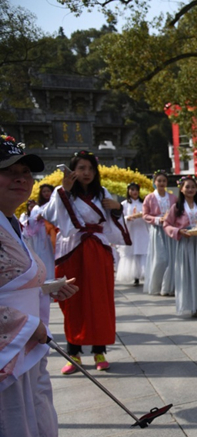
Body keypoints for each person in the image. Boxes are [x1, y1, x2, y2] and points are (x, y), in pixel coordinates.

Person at [0, 135, 78, 437]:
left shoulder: (12, 223)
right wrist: (25, 324)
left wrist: (44, 288)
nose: (20, 179)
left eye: (25, 172)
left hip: (27, 351)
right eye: (7, 172)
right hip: (8, 356)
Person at [42, 150, 131, 374]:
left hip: (98, 250)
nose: (87, 172)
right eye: (81, 168)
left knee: (100, 300)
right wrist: (64, 190)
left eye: (90, 168)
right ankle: (74, 353)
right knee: (72, 301)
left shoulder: (102, 193)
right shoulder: (62, 192)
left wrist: (118, 209)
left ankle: (99, 351)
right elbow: (51, 215)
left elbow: (112, 221)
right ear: (73, 170)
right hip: (72, 250)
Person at [163, 176, 197, 317]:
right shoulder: (176, 207)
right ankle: (191, 305)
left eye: (193, 186)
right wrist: (178, 231)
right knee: (188, 274)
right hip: (186, 244)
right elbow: (166, 225)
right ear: (181, 189)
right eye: (187, 187)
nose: (190, 189)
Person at [142, 170, 177, 296]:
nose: (161, 183)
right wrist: (158, 219)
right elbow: (145, 215)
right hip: (157, 230)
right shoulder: (149, 198)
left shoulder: (173, 197)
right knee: (160, 258)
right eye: (159, 181)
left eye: (164, 181)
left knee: (171, 258)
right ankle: (157, 286)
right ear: (154, 182)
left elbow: (178, 212)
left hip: (170, 229)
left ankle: (169, 286)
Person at [116, 183, 149, 285]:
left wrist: (142, 216)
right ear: (128, 191)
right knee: (131, 251)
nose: (134, 192)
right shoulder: (124, 204)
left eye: (136, 190)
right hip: (131, 230)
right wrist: (127, 218)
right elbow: (120, 218)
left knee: (142, 250)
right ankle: (135, 276)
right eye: (132, 190)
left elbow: (148, 215)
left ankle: (144, 274)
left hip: (142, 230)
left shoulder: (144, 203)